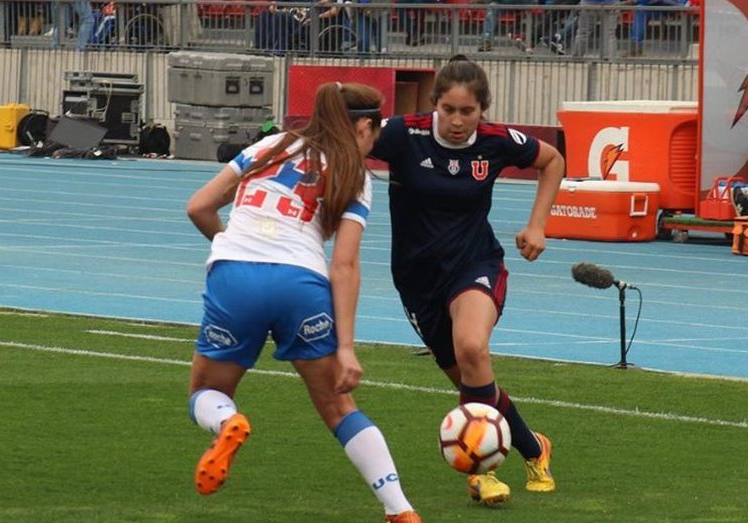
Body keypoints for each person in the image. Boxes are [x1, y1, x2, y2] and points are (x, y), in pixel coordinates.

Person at [185, 82, 422, 523]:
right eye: (377, 131)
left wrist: (235, 245)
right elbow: (344, 266)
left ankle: (226, 424)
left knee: (208, 391)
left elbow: (198, 206)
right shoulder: (354, 174)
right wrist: (347, 348)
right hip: (301, 283)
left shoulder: (272, 145)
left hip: (235, 272)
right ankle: (400, 510)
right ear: (364, 126)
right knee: (338, 406)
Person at [369, 55, 564, 505]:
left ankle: (482, 473)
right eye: (448, 110)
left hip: (475, 263)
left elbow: (552, 161)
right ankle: (534, 447)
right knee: (472, 380)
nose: (457, 121)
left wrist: (538, 225)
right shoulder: (403, 134)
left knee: (473, 348)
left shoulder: (496, 142)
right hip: (417, 281)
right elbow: (349, 141)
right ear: (434, 105)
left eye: (468, 112)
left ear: (483, 110)